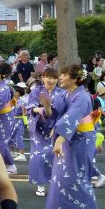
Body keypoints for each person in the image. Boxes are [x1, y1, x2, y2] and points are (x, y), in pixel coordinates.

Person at [46, 64, 101, 209]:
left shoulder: (82, 97)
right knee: (61, 176)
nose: (60, 77)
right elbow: (57, 111)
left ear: (75, 79)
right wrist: (47, 107)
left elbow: (71, 118)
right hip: (70, 139)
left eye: (64, 75)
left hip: (81, 140)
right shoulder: (65, 94)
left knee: (77, 176)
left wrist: (59, 139)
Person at [26, 67, 60, 197]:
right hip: (39, 127)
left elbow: (63, 112)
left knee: (55, 156)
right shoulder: (36, 91)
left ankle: (55, 183)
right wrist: (38, 110)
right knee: (40, 156)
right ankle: (41, 184)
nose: (51, 80)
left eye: (54, 78)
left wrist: (57, 126)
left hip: (55, 127)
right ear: (43, 78)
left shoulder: (61, 93)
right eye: (49, 77)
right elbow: (31, 106)